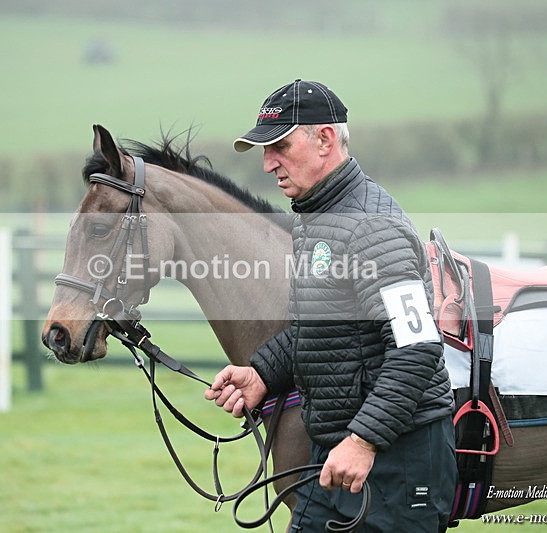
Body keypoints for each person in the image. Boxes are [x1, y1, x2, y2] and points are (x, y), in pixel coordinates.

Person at [205, 80, 457, 532]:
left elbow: (416, 349)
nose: (267, 164)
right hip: (338, 452)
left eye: (280, 146)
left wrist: (363, 441)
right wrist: (262, 372)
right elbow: (321, 327)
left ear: (324, 139)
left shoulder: (372, 227)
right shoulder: (314, 219)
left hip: (399, 462)